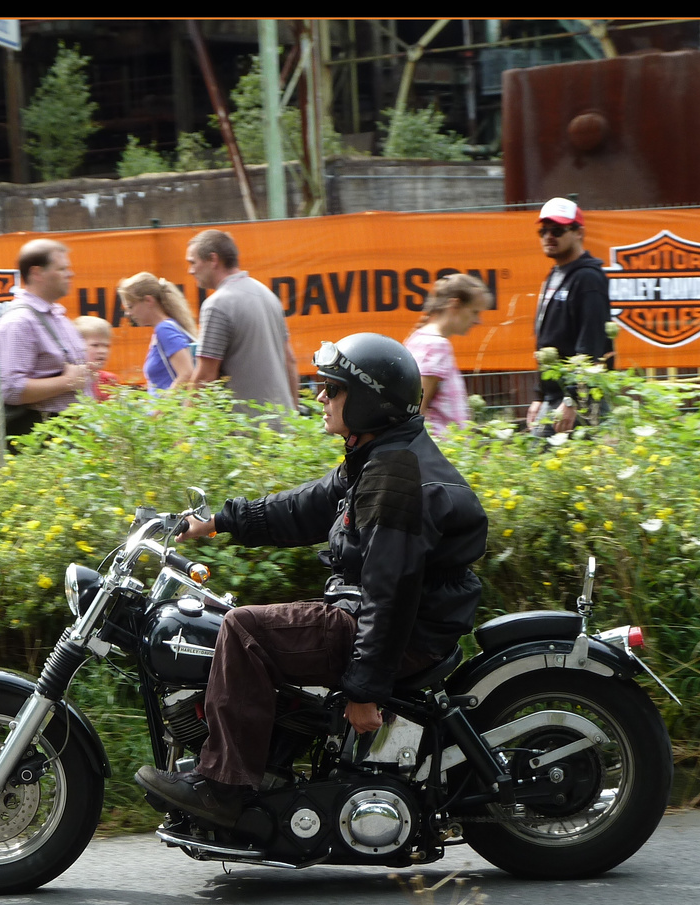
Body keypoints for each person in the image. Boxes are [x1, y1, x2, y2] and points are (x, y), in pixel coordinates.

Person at [134, 334, 489, 827]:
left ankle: (224, 787)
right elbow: (305, 506)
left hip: (396, 629)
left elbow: (391, 593)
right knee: (246, 622)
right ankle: (272, 763)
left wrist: (367, 690)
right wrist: (216, 521)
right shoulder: (379, 456)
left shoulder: (397, 482)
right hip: (375, 614)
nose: (320, 397)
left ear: (368, 400)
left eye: (333, 388)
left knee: (243, 629)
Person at [184, 228, 300, 412]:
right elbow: (290, 360)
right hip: (283, 429)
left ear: (213, 260)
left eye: (193, 262)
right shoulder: (267, 295)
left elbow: (205, 376)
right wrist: (293, 415)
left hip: (246, 433)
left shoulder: (217, 304)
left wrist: (182, 430)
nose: (190, 271)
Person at [526, 197, 614, 436]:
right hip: (557, 397)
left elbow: (591, 344)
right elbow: (547, 344)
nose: (548, 236)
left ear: (579, 233)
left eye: (557, 230)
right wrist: (540, 396)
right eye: (543, 231)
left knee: (541, 464)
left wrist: (574, 399)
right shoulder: (555, 275)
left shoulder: (588, 279)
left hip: (577, 401)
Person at [0, 238, 100, 439]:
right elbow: (9, 389)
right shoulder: (19, 322)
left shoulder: (57, 316)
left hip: (69, 433)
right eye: (61, 269)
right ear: (37, 273)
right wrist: (67, 381)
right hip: (42, 437)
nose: (70, 273)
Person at [403, 273, 493, 435]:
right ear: (455, 305)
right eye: (474, 312)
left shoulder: (421, 338)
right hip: (436, 453)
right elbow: (415, 412)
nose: (478, 321)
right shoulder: (436, 345)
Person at [117, 271, 197, 394]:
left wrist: (160, 410)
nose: (128, 313)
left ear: (148, 301)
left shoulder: (164, 329)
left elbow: (186, 374)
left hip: (169, 412)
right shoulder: (166, 328)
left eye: (131, 306)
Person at [72, 315, 123, 401]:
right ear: (76, 346)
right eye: (95, 345)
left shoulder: (109, 380)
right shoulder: (68, 380)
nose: (103, 351)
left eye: (106, 346)